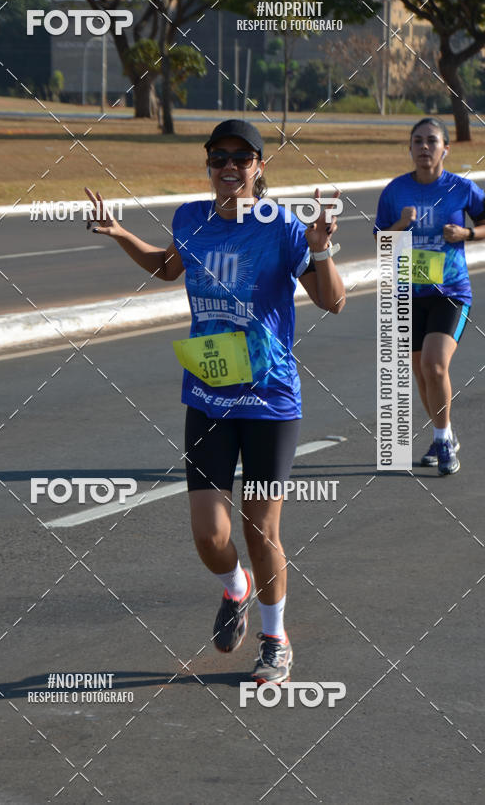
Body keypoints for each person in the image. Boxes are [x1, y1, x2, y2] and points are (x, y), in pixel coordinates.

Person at [86, 119, 345, 683]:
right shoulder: (190, 218)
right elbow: (166, 267)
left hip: (271, 400)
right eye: (217, 157)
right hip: (206, 393)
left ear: (258, 166)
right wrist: (122, 234)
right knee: (210, 537)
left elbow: (334, 303)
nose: (228, 166)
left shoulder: (282, 227)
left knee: (261, 529)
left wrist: (321, 251)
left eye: (241, 157)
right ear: (208, 164)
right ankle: (237, 588)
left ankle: (275, 638)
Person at [374, 117, 485, 475]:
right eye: (417, 141)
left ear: (445, 149)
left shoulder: (461, 188)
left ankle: (441, 440)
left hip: (450, 291)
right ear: (410, 147)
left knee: (434, 365)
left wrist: (467, 233)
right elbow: (380, 242)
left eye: (431, 141)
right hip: (408, 293)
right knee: (422, 375)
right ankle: (445, 435)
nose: (424, 147)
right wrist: (398, 227)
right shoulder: (395, 191)